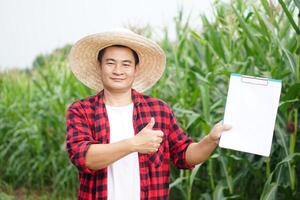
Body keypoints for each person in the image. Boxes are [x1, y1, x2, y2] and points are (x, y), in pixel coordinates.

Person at [66, 29, 232, 200]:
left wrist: (210, 140)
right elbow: (84, 158)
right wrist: (134, 144)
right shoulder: (81, 110)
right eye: (110, 63)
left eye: (126, 64)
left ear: (136, 69)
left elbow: (185, 155)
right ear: (99, 66)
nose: (118, 70)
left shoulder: (158, 110)